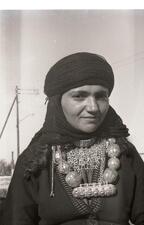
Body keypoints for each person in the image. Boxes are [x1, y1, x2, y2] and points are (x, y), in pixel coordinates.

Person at [2, 52, 144, 225]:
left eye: (100, 96)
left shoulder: (125, 154)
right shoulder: (35, 160)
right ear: (57, 101)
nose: (93, 107)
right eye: (79, 96)